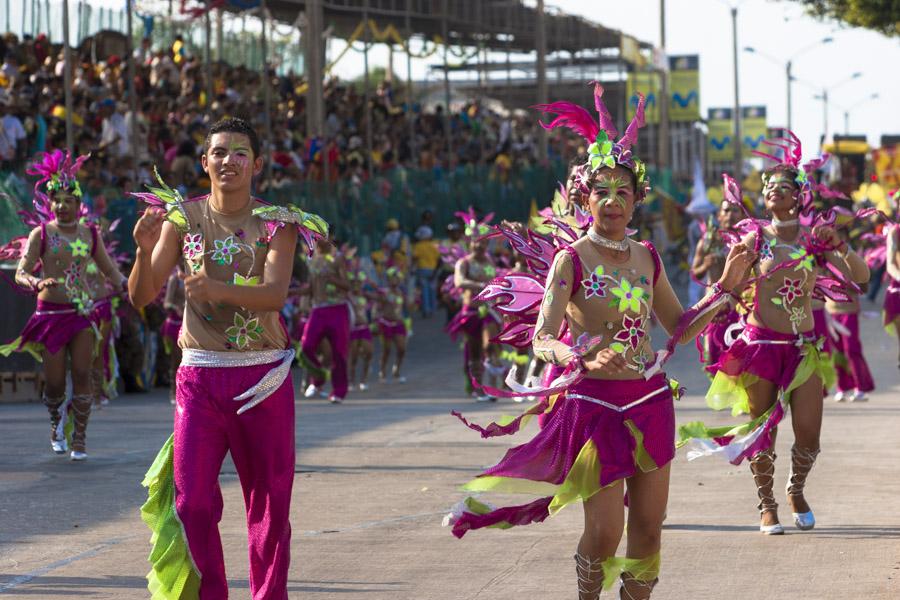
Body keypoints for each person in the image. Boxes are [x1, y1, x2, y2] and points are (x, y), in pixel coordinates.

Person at [446, 84, 753, 600]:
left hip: (650, 402)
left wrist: (725, 288)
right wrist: (576, 353)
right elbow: (544, 338)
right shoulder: (571, 260)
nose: (613, 201)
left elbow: (678, 326)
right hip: (593, 405)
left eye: (623, 191)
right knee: (606, 533)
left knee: (650, 531)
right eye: (602, 191)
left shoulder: (648, 257)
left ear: (637, 198)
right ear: (585, 199)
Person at [129, 117, 326, 598]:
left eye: (240, 152)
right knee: (192, 503)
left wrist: (216, 289)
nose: (228, 160)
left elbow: (275, 294)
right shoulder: (182, 219)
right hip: (200, 377)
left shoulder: (279, 222)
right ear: (204, 162)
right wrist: (142, 250)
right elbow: (142, 295)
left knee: (270, 506)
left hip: (263, 380)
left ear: (257, 164)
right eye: (219, 152)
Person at [678, 133, 864, 536]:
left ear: (799, 196)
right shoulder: (755, 239)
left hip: (804, 350)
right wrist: (723, 281)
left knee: (810, 436)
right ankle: (767, 505)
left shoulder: (816, 239)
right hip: (761, 347)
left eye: (783, 188)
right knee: (761, 431)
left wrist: (842, 247)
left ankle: (796, 489)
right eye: (769, 189)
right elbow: (727, 287)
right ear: (764, 198)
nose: (775, 193)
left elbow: (862, 277)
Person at [1, 151, 126, 460]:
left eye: (68, 200)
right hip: (50, 315)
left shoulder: (90, 234)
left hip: (82, 313)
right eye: (56, 199)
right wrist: (36, 283)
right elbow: (21, 271)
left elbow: (112, 272)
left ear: (78, 203)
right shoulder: (41, 234)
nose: (62, 205)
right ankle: (57, 422)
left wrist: (130, 284)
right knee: (55, 382)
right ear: (50, 203)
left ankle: (80, 438)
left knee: (83, 373)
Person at [446, 209, 502, 401]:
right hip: (470, 312)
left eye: (483, 242)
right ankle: (478, 388)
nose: (480, 246)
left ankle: (492, 385)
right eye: (476, 242)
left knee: (490, 346)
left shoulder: (490, 262)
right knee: (475, 351)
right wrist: (480, 286)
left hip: (489, 312)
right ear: (470, 243)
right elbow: (459, 282)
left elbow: (496, 281)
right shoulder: (463, 263)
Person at [690, 176, 744, 373]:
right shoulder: (708, 240)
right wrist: (705, 264)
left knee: (741, 359)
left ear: (742, 214)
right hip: (714, 305)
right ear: (719, 215)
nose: (730, 215)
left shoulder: (750, 240)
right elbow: (694, 271)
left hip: (740, 307)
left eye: (735, 210)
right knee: (713, 359)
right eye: (726, 211)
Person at [300, 235, 352, 403]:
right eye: (314, 237)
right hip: (318, 310)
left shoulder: (337, 258)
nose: (316, 240)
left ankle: (339, 391)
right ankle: (319, 377)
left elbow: (347, 285)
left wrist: (333, 279)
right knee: (306, 346)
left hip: (337, 309)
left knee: (339, 352)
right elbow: (311, 287)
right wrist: (290, 292)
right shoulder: (312, 259)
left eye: (320, 237)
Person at [824, 230, 872, 402]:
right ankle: (843, 387)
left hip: (849, 311)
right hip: (830, 311)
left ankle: (861, 387)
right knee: (836, 352)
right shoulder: (823, 257)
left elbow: (864, 286)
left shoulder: (852, 257)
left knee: (851, 349)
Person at [377, 267, 410, 383]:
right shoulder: (384, 292)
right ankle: (382, 370)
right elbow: (378, 306)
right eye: (392, 278)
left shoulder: (401, 293)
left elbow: (407, 307)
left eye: (396, 278)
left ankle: (396, 369)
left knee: (402, 348)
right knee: (387, 349)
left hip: (398, 323)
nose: (394, 280)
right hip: (386, 323)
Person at [412, 225, 440, 317]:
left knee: (424, 291)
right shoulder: (434, 244)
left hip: (422, 270)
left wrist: (412, 268)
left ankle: (426, 310)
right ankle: (433, 309)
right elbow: (439, 259)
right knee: (432, 290)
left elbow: (415, 258)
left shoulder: (418, 246)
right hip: (433, 270)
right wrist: (436, 270)